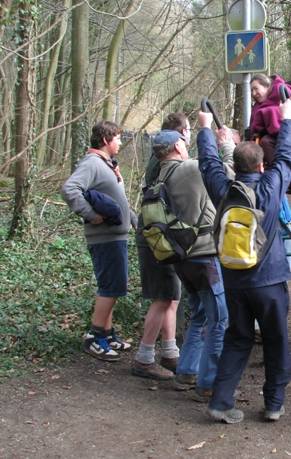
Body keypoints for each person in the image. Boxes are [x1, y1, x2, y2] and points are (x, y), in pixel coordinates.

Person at [197, 99, 291, 424]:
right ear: (260, 166)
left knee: (237, 338)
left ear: (235, 166)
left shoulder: (222, 190)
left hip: (234, 280)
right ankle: (273, 403)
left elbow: (208, 163)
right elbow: (286, 156)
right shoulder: (270, 188)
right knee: (275, 338)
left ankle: (221, 401)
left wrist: (204, 129)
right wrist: (287, 121)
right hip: (269, 281)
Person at [149, 128, 228, 403]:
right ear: (178, 147)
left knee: (199, 317)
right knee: (220, 319)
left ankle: (186, 372)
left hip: (183, 260)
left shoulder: (160, 175)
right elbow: (226, 174)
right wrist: (225, 144)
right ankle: (208, 384)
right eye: (184, 141)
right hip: (205, 258)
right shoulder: (190, 169)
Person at [61, 121, 136, 361]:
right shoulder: (92, 163)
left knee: (111, 286)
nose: (121, 142)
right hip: (105, 238)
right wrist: (92, 216)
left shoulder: (108, 164)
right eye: (118, 138)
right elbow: (69, 189)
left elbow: (118, 198)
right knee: (111, 288)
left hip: (116, 236)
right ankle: (95, 338)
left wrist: (132, 218)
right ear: (106, 140)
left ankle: (107, 332)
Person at [131, 113, 190, 381]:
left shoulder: (160, 160)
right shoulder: (167, 164)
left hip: (161, 235)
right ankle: (144, 359)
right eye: (187, 133)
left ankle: (170, 353)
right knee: (163, 297)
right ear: (178, 138)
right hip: (157, 237)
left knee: (171, 295)